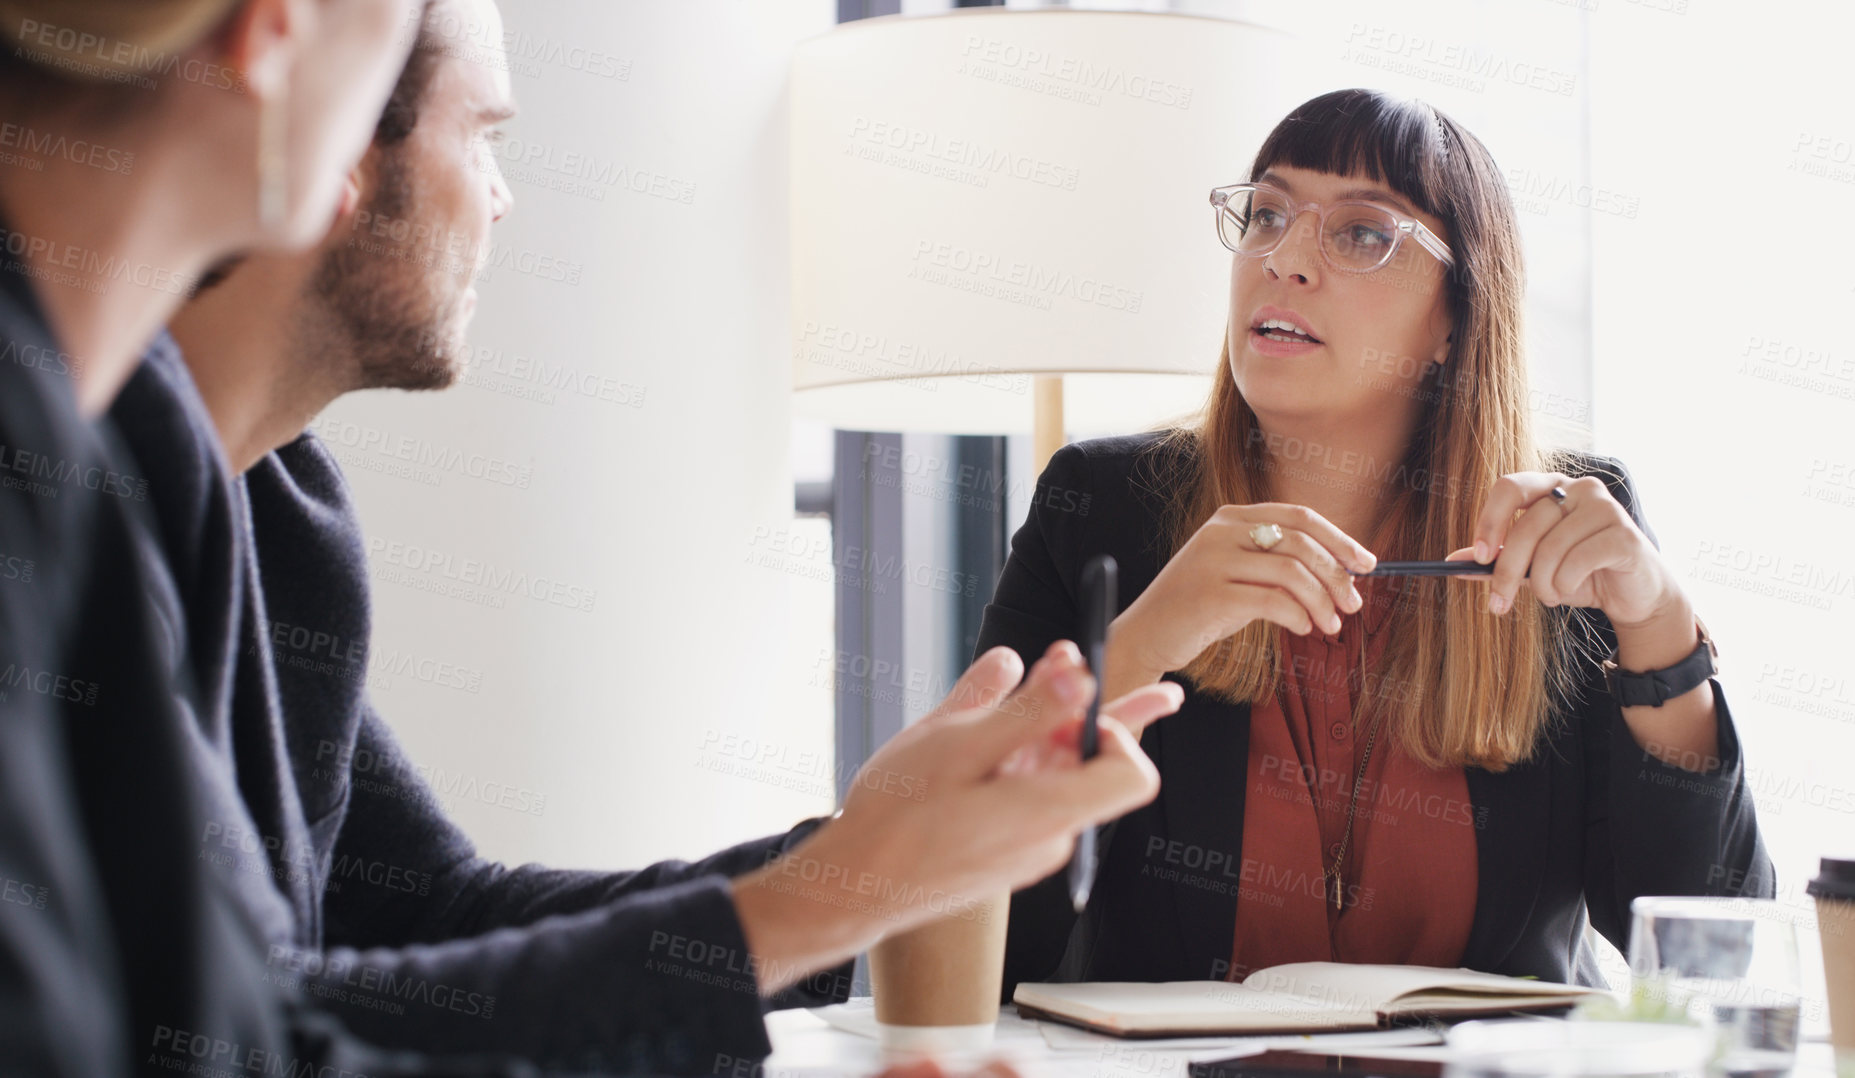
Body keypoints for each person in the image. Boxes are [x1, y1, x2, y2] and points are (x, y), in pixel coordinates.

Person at [102, 0, 1184, 1072]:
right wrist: (841, 887)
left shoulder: (282, 505)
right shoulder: (74, 499)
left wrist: (859, 847)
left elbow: (428, 911)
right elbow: (231, 1036)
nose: (502, 198)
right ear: (331, 141)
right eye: (481, 135)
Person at [980, 89, 1774, 995]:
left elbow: (1715, 962)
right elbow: (969, 925)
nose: (1283, 259)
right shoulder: (1101, 508)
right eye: (1266, 214)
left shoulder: (1559, 533)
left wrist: (1661, 627)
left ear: (1453, 317)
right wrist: (1142, 645)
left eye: (1360, 234)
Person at [0, 0, 536, 1074]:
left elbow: (245, 1024)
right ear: (271, 39)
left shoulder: (105, 458)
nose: (500, 199)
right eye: (478, 134)